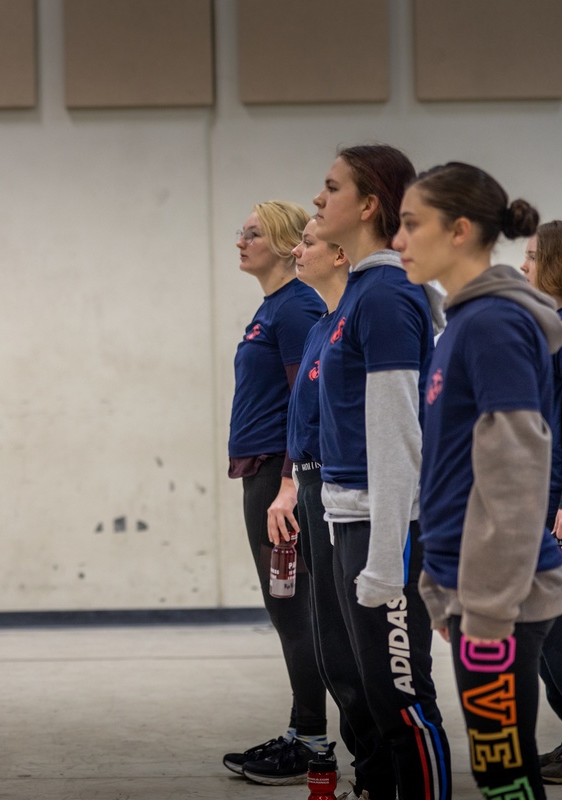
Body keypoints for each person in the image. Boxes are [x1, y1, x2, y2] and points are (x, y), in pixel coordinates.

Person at [394, 161, 562, 798]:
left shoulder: (494, 324)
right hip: (474, 587)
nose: (400, 240)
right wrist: (441, 584)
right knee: (501, 768)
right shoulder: (462, 322)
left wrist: (487, 606)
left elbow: (517, 474)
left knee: (503, 771)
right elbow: (449, 470)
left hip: (504, 598)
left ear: (460, 229)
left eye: (412, 224)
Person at [311, 144, 451, 800]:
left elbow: (399, 437)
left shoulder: (389, 294)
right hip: (350, 517)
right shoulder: (362, 293)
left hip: (385, 524)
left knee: (403, 701)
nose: (318, 199)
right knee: (371, 693)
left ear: (368, 205)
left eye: (331, 186)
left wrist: (390, 557)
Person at [282, 218, 397, 798]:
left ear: (339, 255)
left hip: (350, 495)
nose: (295, 251)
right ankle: (366, 765)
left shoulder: (364, 316)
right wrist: (291, 485)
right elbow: (301, 420)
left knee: (361, 654)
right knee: (332, 650)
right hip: (313, 489)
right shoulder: (320, 327)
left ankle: (384, 771)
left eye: (306, 241)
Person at [222, 201, 332, 786]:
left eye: (253, 233)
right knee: (287, 608)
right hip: (264, 473)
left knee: (295, 610)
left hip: (279, 479)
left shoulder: (296, 308)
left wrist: (290, 483)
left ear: (289, 242)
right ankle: (303, 729)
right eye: (240, 233)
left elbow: (305, 401)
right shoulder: (273, 307)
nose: (241, 241)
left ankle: (312, 741)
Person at [528, 220, 562, 784]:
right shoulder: (548, 328)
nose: (524, 265)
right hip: (541, 494)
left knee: (555, 637)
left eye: (534, 255)